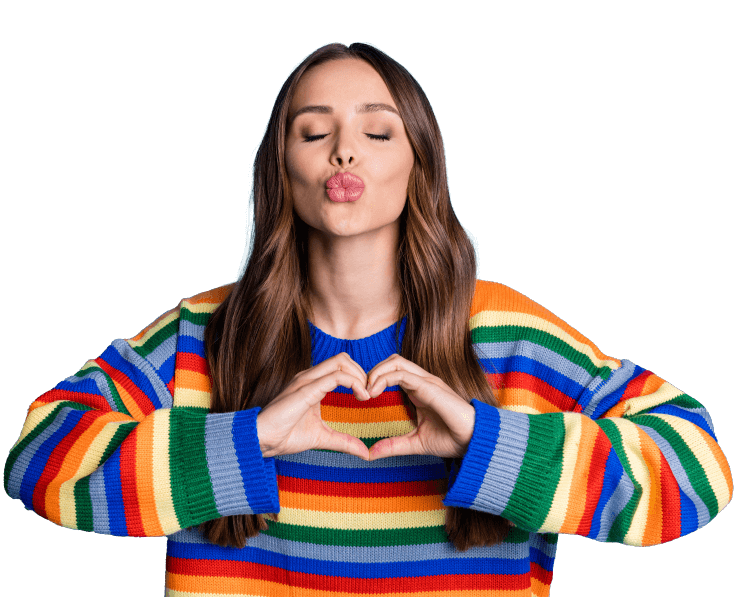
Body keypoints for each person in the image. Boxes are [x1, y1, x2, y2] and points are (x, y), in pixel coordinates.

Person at [4, 41, 732, 595]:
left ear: (420, 166)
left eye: (378, 133)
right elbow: (37, 459)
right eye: (313, 132)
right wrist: (246, 439)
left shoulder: (517, 340)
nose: (344, 149)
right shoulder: (198, 336)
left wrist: (490, 443)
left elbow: (697, 474)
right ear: (278, 169)